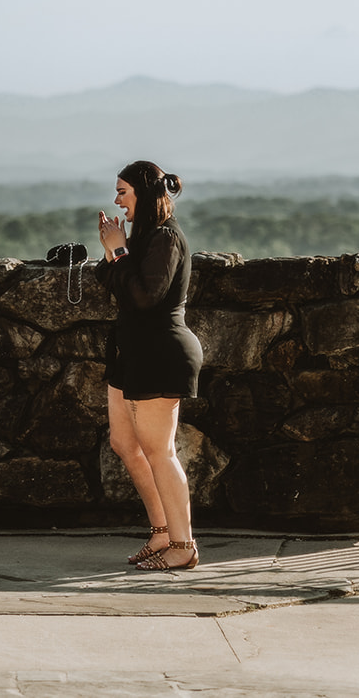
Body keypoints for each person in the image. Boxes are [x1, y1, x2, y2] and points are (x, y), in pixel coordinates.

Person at [94, 160, 204, 571]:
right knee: (125, 444)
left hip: (161, 351)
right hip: (132, 352)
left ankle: (183, 545)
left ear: (143, 192)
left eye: (123, 191)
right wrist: (114, 249)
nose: (117, 200)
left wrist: (119, 251)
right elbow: (113, 281)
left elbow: (145, 297)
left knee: (160, 451)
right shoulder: (140, 236)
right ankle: (161, 533)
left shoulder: (165, 239)